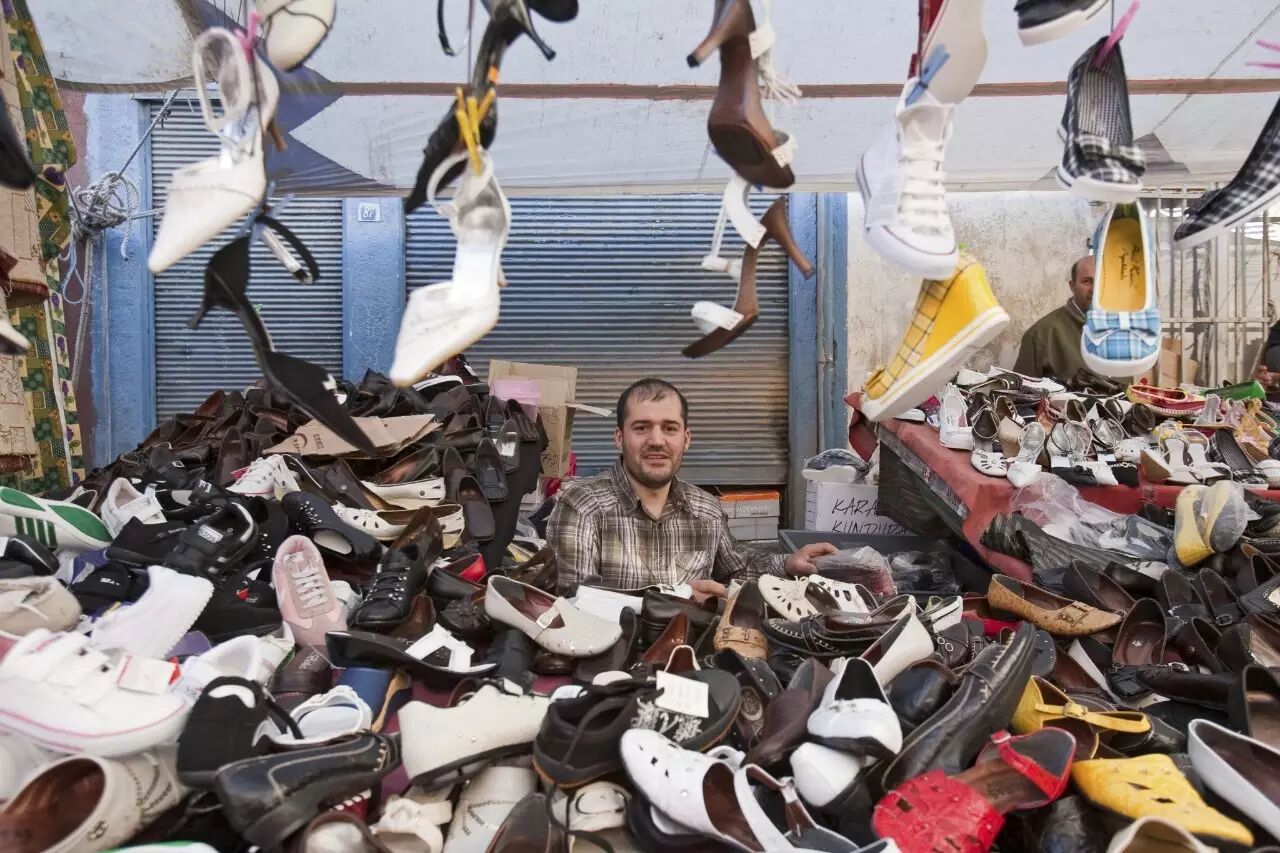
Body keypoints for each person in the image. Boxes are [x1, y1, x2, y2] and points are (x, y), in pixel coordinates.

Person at [548, 378, 837, 600]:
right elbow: (575, 600)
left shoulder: (706, 509)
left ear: (685, 439)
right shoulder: (582, 506)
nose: (657, 441)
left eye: (669, 428)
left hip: (693, 651)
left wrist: (787, 564)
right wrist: (677, 597)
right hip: (616, 655)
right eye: (642, 428)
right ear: (619, 438)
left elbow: (736, 571)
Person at [1013, 254, 1094, 380]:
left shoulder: (1123, 328)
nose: (1095, 289)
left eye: (1103, 281)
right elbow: (1022, 390)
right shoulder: (1040, 335)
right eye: (1087, 281)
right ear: (1072, 286)